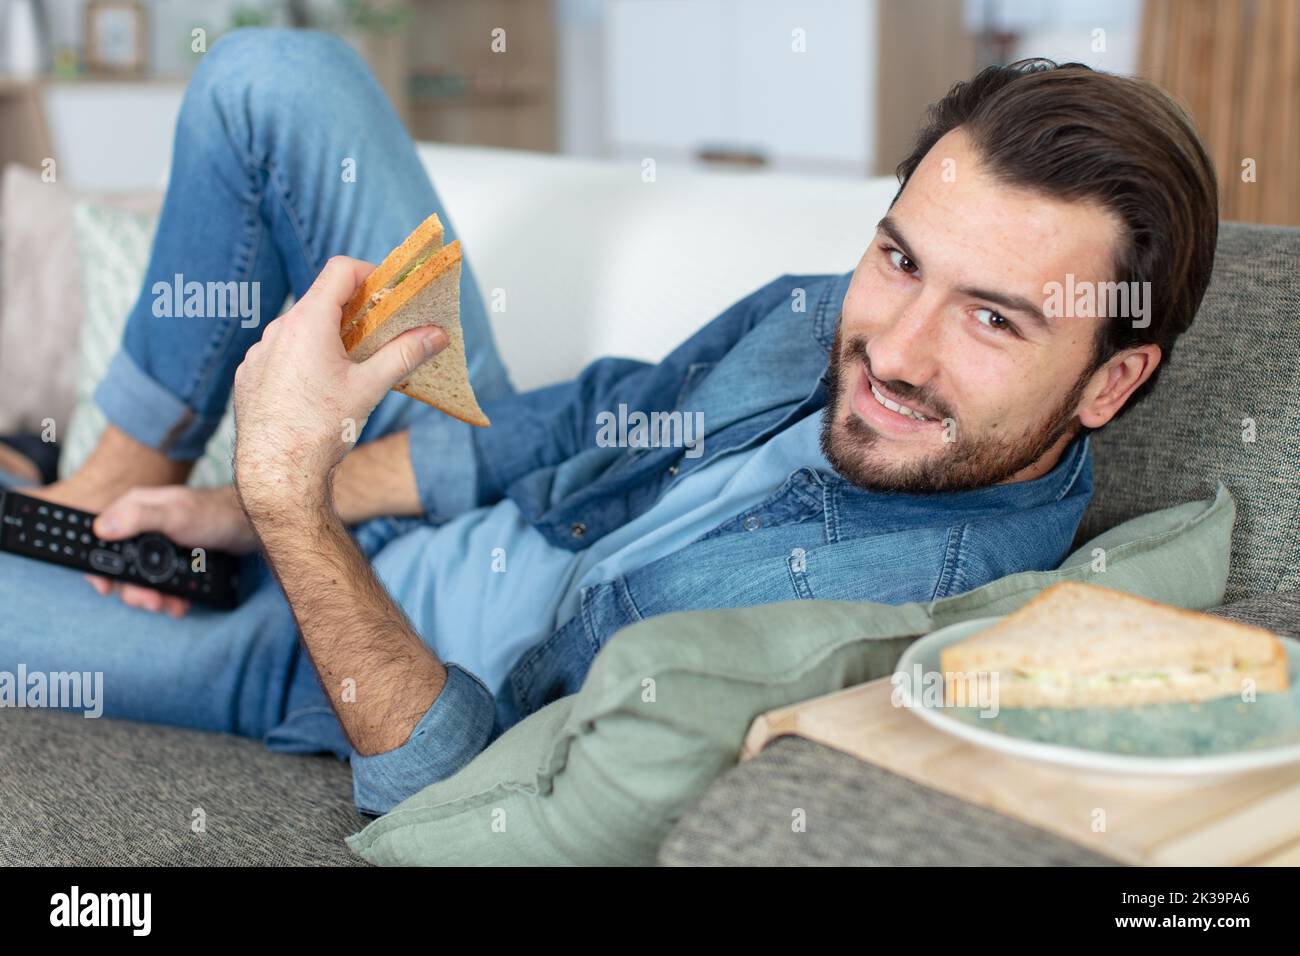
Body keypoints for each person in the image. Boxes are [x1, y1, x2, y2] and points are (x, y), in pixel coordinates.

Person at [0, 29, 1218, 815]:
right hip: (420, 506)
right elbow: (587, 418)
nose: (892, 352)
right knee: (273, 78)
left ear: (1109, 383)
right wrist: (229, 503)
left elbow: (452, 785)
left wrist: (284, 502)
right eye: (900, 259)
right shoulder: (825, 319)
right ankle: (107, 478)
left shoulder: (877, 613)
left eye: (994, 321)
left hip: (325, 651)